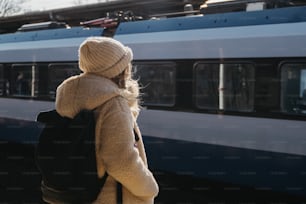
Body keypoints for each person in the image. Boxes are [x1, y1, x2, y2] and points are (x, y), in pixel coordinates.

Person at [46, 37, 159, 203]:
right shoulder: (113, 104)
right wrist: (149, 187)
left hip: (78, 193)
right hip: (109, 197)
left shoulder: (68, 95)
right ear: (117, 69)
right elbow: (121, 162)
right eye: (125, 63)